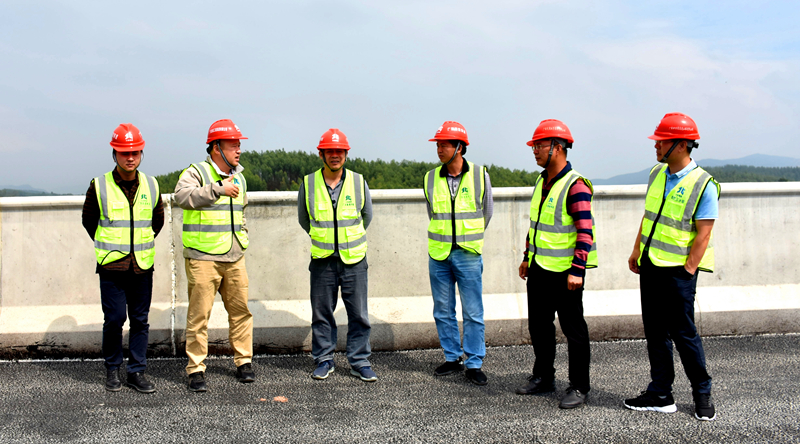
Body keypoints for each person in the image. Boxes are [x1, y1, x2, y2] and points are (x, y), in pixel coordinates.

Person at [623, 113, 719, 421]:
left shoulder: (704, 184)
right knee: (655, 332)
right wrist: (638, 248)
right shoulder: (657, 174)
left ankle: (702, 392)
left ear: (680, 145)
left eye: (661, 141)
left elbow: (703, 234)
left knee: (683, 333)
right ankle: (661, 393)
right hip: (651, 265)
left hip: (678, 272)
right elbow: (649, 215)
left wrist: (688, 271)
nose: (656, 146)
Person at [514, 119, 597, 409]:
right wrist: (527, 257)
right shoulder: (541, 181)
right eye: (534, 145)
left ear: (558, 148)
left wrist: (577, 270)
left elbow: (585, 232)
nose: (534, 150)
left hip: (565, 273)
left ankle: (579, 386)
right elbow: (535, 224)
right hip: (539, 268)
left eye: (540, 145)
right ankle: (544, 377)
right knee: (539, 326)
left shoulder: (575, 186)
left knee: (574, 330)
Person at [82, 123, 164, 393]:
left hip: (142, 265)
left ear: (141, 153)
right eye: (124, 152)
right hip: (112, 267)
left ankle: (136, 371)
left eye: (135, 152)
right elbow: (89, 222)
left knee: (140, 320)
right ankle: (112, 369)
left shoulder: (151, 185)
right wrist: (114, 246)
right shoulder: (99, 185)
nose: (130, 157)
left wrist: (138, 245)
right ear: (114, 153)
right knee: (115, 319)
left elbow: (157, 221)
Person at [174, 119, 254, 392]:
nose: (238, 149)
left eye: (239, 144)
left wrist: (242, 237)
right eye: (233, 144)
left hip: (234, 255)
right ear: (216, 147)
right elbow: (182, 197)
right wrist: (217, 189)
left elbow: (240, 211)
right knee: (199, 316)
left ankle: (244, 362)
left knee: (241, 312)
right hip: (203, 257)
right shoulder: (196, 172)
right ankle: (196, 369)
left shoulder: (240, 177)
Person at [297, 128, 376, 382]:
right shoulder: (308, 183)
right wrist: (326, 240)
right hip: (323, 261)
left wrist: (346, 241)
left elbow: (367, 217)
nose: (335, 155)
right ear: (321, 154)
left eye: (339, 151)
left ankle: (360, 361)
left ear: (346, 154)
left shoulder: (358, 181)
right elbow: (304, 219)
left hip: (354, 261)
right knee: (322, 314)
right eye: (330, 151)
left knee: (359, 315)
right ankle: (324, 359)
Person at [424, 121, 493, 385]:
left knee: (473, 311)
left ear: (460, 147)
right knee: (443, 309)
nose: (439, 149)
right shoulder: (430, 178)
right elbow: (433, 213)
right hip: (439, 253)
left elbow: (487, 212)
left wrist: (467, 237)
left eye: (444, 144)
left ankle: (474, 362)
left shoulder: (479, 175)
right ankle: (452, 358)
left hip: (468, 254)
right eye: (438, 144)